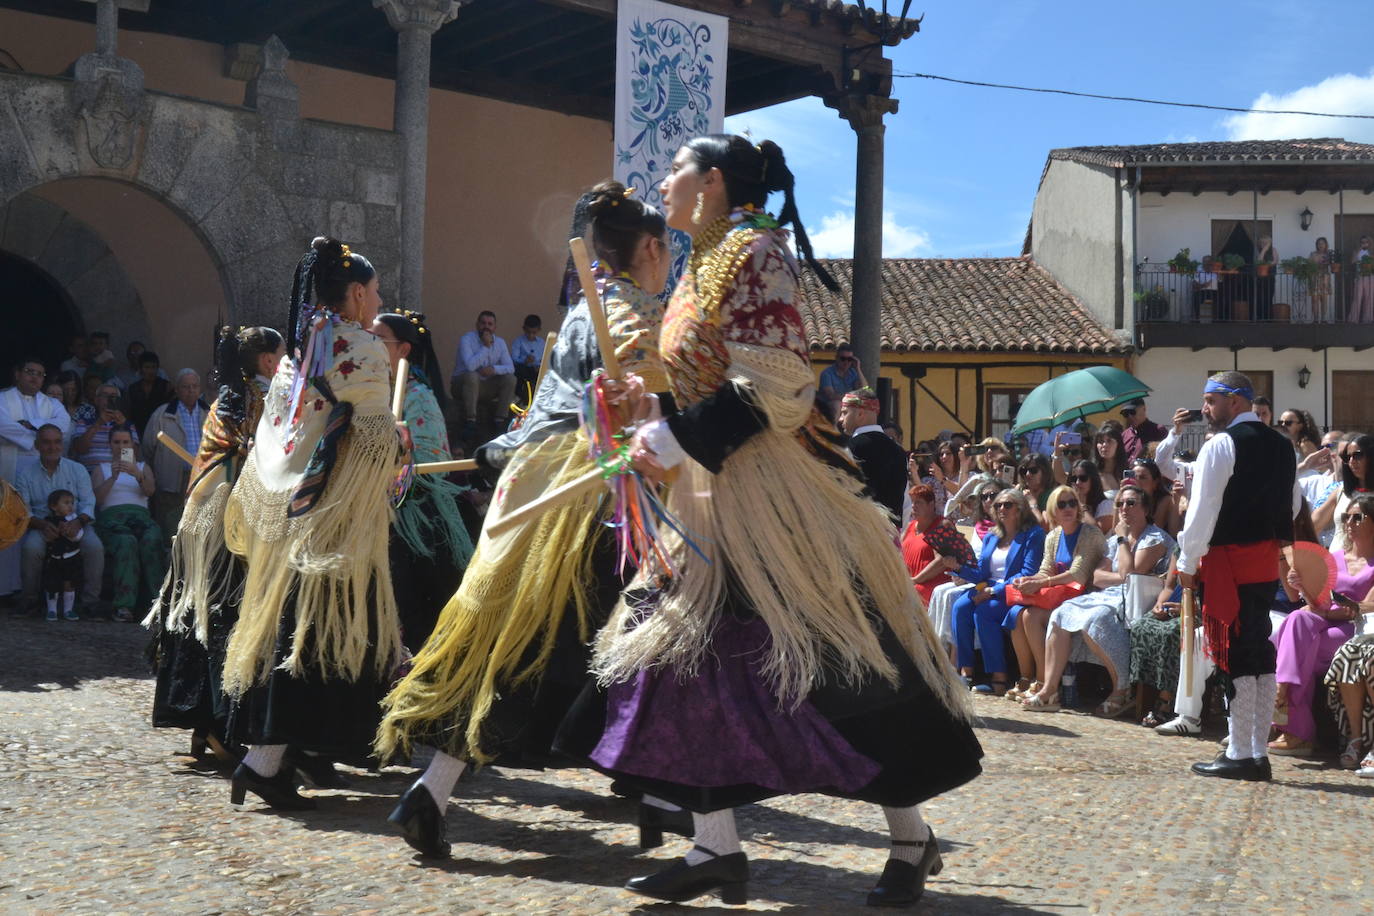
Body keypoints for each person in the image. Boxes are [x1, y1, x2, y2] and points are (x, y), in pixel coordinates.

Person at [559, 136, 981, 908]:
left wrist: (678, 434)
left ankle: (911, 838)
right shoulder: (702, 263)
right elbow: (700, 380)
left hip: (774, 501)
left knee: (839, 666)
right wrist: (646, 411)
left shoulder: (757, 253)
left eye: (678, 168)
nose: (665, 180)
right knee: (682, 659)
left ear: (713, 183)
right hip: (713, 497)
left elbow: (780, 385)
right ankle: (715, 847)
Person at [376, 179, 671, 857]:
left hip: (539, 485)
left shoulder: (580, 312)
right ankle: (674, 805)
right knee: (639, 642)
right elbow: (646, 421)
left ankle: (434, 790)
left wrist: (498, 451)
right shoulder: (632, 315)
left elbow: (545, 410)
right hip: (597, 500)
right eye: (665, 250)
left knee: (518, 639)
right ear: (651, 249)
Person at [220, 237, 406, 810]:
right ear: (354, 293)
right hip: (340, 527)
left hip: (299, 518)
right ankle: (267, 761)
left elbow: (281, 439)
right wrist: (398, 443)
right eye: (374, 292)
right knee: (324, 633)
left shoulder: (302, 356)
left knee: (297, 626)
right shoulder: (361, 348)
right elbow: (373, 442)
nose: (377, 302)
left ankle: (280, 755)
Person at [147, 325, 284, 762]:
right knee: (224, 621)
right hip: (224, 527)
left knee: (199, 620)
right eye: (281, 356)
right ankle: (220, 728)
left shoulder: (233, 396)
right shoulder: (254, 398)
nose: (286, 365)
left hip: (205, 524)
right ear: (266, 362)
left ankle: (201, 725)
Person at [1179, 371, 1300, 782]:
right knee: (1257, 652)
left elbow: (1202, 511)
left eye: (1210, 400)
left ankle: (1240, 751)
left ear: (1234, 400)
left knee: (1235, 654)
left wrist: (1186, 561)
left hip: (1229, 561)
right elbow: (1294, 504)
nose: (1205, 408)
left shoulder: (1221, 445)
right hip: (1265, 562)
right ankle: (1252, 750)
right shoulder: (1284, 448)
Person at [1023, 484, 1174, 716]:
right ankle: (1050, 690)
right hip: (1110, 595)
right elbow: (1097, 576)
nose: (1124, 508)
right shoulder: (1115, 540)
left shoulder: (1154, 538)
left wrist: (1123, 544)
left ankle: (1121, 689)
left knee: (1097, 618)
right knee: (1061, 613)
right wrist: (1120, 570)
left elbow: (1132, 576)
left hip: (1140, 599)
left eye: (1131, 503)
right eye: (1120, 503)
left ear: (1145, 509)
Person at [373, 310, 475, 650]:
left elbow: (435, 464)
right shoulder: (369, 394)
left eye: (378, 339)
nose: (369, 345)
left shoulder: (420, 398)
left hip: (416, 521)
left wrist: (395, 464)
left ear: (403, 350)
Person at [1266, 494, 1374, 757]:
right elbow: (1319, 600)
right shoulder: (1335, 557)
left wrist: (1333, 609)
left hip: (1354, 628)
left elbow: (1366, 608)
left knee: (1300, 641)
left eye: (1357, 517)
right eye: (1347, 516)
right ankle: (1287, 700)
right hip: (1325, 622)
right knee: (1297, 621)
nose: (1350, 522)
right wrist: (1303, 587)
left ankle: (1291, 722)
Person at [1008, 484, 1108, 702]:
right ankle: (1037, 679)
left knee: (1031, 616)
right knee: (1022, 614)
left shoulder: (1090, 533)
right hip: (1061, 596)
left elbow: (1078, 574)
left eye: (1072, 502)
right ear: (1053, 510)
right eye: (1062, 504)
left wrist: (1041, 583)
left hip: (1086, 597)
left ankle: (1045, 683)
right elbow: (1045, 570)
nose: (1068, 508)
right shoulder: (1053, 536)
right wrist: (1028, 580)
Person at [951, 487, 1046, 696]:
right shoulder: (992, 536)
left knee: (984, 612)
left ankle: (998, 679)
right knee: (959, 607)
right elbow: (981, 573)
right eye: (998, 505)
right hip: (988, 587)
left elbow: (1027, 572)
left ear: (1020, 509)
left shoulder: (1033, 534)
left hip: (1016, 590)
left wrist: (994, 591)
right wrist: (958, 566)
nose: (1001, 508)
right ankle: (965, 672)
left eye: (1007, 504)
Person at [0, 358, 73, 598]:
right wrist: (40, 435)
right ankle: (8, 587)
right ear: (17, 373)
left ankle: (39, 591)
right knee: (10, 522)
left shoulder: (50, 403)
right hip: (10, 467)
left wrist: (31, 426)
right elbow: (3, 426)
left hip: (43, 471)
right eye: (30, 372)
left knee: (41, 520)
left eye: (40, 374)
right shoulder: (3, 398)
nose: (34, 377)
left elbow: (63, 425)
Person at [16, 425, 103, 617]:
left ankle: (90, 603)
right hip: (42, 525)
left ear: (62, 445)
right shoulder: (25, 475)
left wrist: (78, 522)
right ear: (37, 445)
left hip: (76, 523)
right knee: (31, 548)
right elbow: (24, 512)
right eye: (46, 442)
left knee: (94, 546)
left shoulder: (77, 469)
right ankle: (29, 602)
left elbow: (89, 503)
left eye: (57, 442)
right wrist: (44, 525)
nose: (52, 447)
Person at [91, 426, 162, 621]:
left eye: (125, 442)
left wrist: (137, 474)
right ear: (110, 445)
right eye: (116, 442)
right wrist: (113, 477)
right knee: (126, 542)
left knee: (152, 538)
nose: (121, 446)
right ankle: (123, 606)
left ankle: (158, 603)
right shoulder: (102, 468)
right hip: (113, 519)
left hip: (140, 517)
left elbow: (150, 492)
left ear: (132, 445)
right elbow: (97, 499)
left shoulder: (141, 466)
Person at [142, 369, 208, 544]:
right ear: (177, 390)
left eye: (194, 386)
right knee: (170, 529)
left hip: (202, 480)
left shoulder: (210, 413)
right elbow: (147, 449)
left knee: (199, 530)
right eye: (186, 387)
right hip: (172, 482)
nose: (191, 390)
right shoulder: (162, 414)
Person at [903, 483, 975, 606]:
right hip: (910, 582)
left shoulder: (942, 525)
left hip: (931, 587)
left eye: (919, 502)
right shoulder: (910, 526)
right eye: (912, 502)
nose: (914, 506)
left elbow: (942, 560)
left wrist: (915, 580)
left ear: (931, 504)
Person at [840, 386, 906, 522]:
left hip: (858, 531)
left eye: (844, 412)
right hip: (889, 536)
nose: (840, 419)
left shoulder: (849, 449)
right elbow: (906, 504)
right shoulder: (898, 451)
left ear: (860, 414)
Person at [450, 310, 516, 443]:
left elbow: (510, 368)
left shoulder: (500, 343)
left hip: (485, 386)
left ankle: (500, 421)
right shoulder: (467, 339)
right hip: (462, 385)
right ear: (477, 325)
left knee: (510, 379)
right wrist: (486, 346)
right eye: (483, 323)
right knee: (472, 375)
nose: (486, 326)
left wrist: (494, 369)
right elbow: (470, 366)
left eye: (490, 324)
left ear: (495, 327)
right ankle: (471, 421)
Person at [38, 488, 82, 621]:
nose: (70, 506)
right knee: (53, 585)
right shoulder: (48, 521)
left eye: (72, 503)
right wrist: (53, 534)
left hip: (71, 557)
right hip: (55, 558)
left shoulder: (74, 520)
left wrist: (71, 534)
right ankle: (52, 610)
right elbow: (45, 538)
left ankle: (68, 610)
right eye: (66, 503)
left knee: (69, 584)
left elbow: (79, 536)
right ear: (53, 506)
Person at [1131, 458, 1180, 537]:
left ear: (1155, 482)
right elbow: (1115, 531)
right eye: (1134, 477)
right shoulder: (1126, 500)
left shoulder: (1166, 500)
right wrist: (1121, 494)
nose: (1136, 481)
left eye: (1142, 477)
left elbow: (1153, 533)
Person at [818, 342, 866, 418]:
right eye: (843, 359)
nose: (846, 362)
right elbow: (831, 396)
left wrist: (858, 368)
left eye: (849, 359)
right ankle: (833, 429)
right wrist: (853, 399)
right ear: (836, 358)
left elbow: (864, 389)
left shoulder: (853, 373)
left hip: (848, 405)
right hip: (828, 407)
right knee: (837, 405)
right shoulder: (827, 373)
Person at [1068, 459, 1114, 533]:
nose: (1077, 482)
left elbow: (1097, 533)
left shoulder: (1106, 505)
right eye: (1074, 479)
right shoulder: (1066, 505)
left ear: (1093, 480)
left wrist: (1081, 504)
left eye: (1083, 478)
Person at [510, 313, 545, 407]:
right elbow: (514, 358)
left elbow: (544, 357)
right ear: (524, 329)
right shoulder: (518, 341)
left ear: (539, 330)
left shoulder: (541, 343)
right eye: (528, 332)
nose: (530, 335)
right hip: (523, 368)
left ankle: (541, 400)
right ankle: (518, 397)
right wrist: (524, 361)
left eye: (533, 333)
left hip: (536, 369)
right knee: (519, 371)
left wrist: (539, 365)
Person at [1120, 398, 1167, 463]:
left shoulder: (1158, 430)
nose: (1130, 416)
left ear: (1144, 409)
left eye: (1132, 412)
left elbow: (1165, 457)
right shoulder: (1124, 435)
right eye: (1126, 414)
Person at [1015, 452, 1054, 529]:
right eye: (1024, 471)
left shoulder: (1051, 495)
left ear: (1044, 472)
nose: (1027, 474)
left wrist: (1032, 504)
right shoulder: (1019, 490)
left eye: (1033, 470)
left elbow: (1045, 527)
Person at [1350, 235, 1374, 324]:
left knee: (1369, 298)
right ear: (1360, 243)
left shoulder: (1371, 252)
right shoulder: (1356, 251)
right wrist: (1359, 250)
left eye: (1366, 242)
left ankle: (1367, 318)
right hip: (1359, 276)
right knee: (1357, 296)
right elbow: (1352, 261)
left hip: (1370, 276)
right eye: (1362, 242)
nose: (1364, 243)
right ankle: (1353, 318)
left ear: (1369, 243)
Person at [1310, 237, 1333, 324]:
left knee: (1324, 299)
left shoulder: (1328, 254)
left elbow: (1332, 265)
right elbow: (1309, 265)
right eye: (1319, 243)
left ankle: (1323, 319)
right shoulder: (1312, 254)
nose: (1321, 245)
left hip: (1325, 278)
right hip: (1314, 277)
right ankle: (1315, 319)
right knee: (1315, 299)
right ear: (1317, 245)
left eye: (1322, 243)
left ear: (1326, 244)